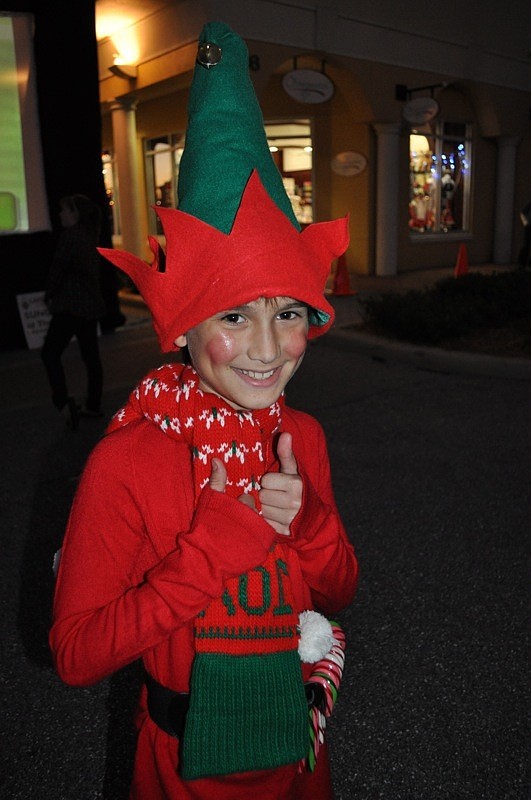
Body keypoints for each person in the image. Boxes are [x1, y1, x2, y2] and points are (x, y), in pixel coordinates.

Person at [49, 21, 358, 800]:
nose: (268, 349)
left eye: (288, 314)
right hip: (182, 772)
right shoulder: (128, 460)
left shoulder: (301, 435)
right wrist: (205, 556)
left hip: (297, 758)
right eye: (233, 316)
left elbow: (337, 591)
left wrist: (309, 520)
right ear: (182, 327)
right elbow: (77, 654)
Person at [41, 193, 106, 428]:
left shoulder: (70, 236)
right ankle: (93, 404)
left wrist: (49, 295)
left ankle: (63, 402)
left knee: (50, 353)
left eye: (64, 210)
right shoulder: (90, 236)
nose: (60, 214)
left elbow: (58, 269)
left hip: (70, 306)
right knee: (91, 357)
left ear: (75, 213)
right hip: (89, 307)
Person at [518, 200, 531, 268]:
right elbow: (522, 213)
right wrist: (525, 223)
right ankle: (522, 263)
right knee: (526, 245)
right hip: (529, 227)